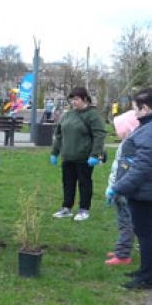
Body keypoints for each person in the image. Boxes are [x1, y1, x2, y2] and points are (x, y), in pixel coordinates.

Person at [107, 87, 152, 290]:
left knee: (147, 233)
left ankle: (147, 278)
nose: (135, 113)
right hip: (151, 187)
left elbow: (142, 166)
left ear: (146, 108)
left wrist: (118, 188)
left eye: (136, 109)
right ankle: (145, 271)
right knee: (151, 231)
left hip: (146, 190)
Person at [50, 86, 107, 221]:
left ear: (85, 99)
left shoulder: (92, 115)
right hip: (68, 156)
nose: (73, 102)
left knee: (84, 183)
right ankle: (66, 208)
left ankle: (84, 209)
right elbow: (59, 134)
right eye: (72, 100)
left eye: (76, 99)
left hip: (84, 158)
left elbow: (99, 135)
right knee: (68, 183)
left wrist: (94, 155)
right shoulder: (68, 114)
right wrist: (55, 152)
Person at [103, 110, 140, 266]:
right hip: (119, 188)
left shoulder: (131, 145)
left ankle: (123, 254)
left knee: (127, 223)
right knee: (123, 221)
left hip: (123, 190)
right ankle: (121, 249)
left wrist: (115, 188)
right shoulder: (127, 143)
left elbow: (124, 170)